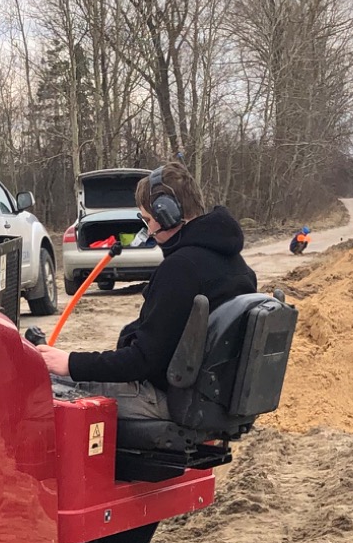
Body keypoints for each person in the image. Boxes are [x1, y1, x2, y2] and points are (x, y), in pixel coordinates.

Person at [35, 161, 256, 423]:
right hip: (214, 401)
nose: (148, 229)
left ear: (168, 215)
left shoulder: (181, 269)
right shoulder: (238, 266)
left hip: (170, 400)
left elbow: (143, 361)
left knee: (47, 384)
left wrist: (70, 363)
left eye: (149, 220)